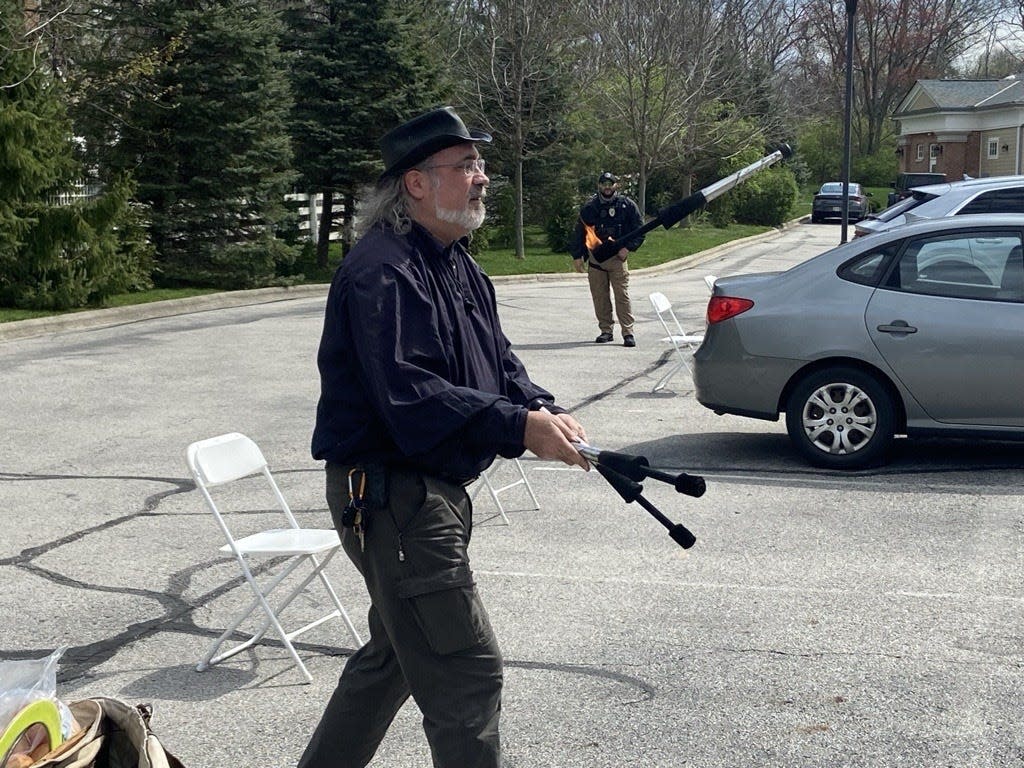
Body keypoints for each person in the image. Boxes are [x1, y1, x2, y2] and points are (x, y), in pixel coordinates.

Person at [298, 106, 590, 768]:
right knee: (466, 675)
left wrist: (542, 409)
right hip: (395, 499)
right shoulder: (383, 271)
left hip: (424, 496)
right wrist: (519, 428)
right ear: (417, 184)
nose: (482, 177)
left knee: (394, 660)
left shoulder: (457, 265)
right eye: (466, 166)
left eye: (479, 164)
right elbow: (412, 396)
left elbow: (499, 364)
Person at [570, 171, 645, 347]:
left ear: (615, 186)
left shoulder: (626, 206)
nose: (607, 187)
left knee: (622, 296)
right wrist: (577, 255)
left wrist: (628, 248)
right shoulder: (590, 208)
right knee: (600, 297)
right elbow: (580, 233)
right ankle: (606, 330)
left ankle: (628, 332)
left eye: (610, 184)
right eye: (603, 183)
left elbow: (639, 230)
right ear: (599, 186)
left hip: (618, 259)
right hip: (596, 261)